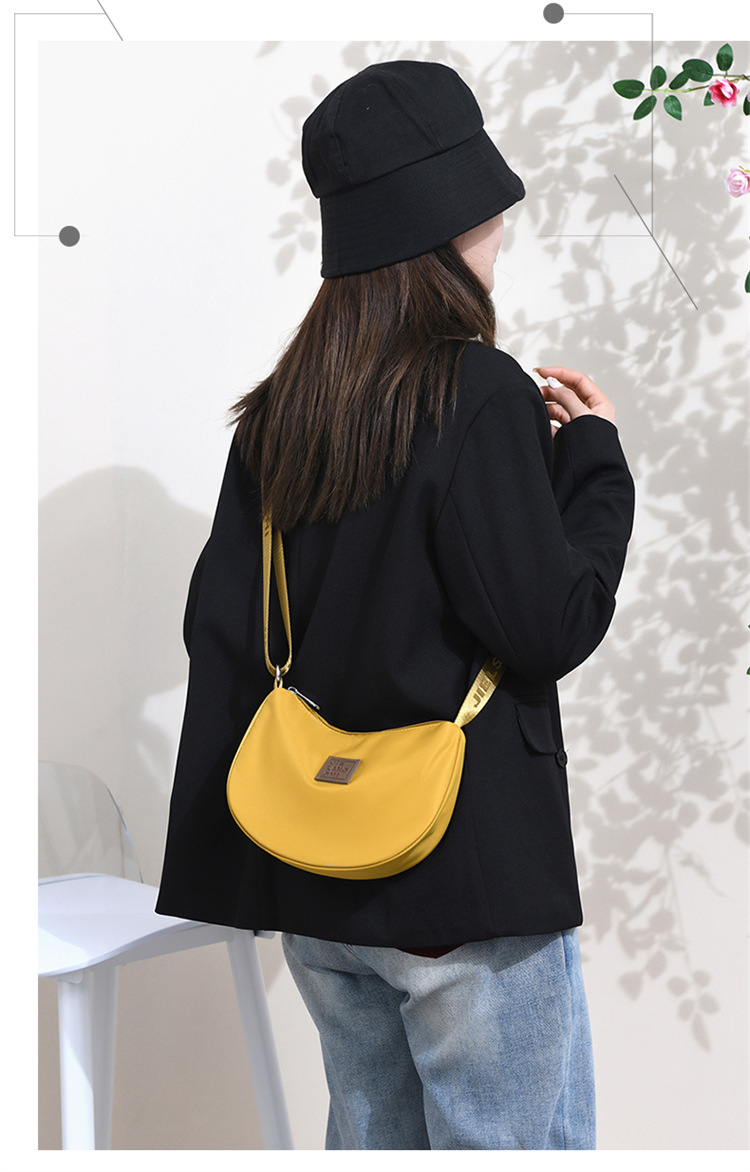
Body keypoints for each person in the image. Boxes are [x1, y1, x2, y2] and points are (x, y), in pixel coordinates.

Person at [155, 60, 635, 1150]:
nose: (501, 230)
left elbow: (218, 628)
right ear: (456, 216)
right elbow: (549, 625)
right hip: (461, 884)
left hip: (317, 881)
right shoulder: (477, 389)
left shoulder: (278, 414)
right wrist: (595, 469)